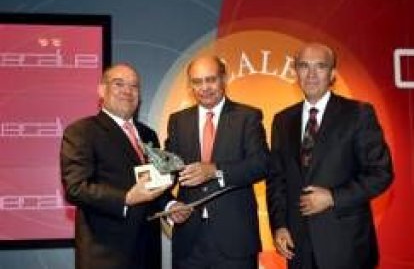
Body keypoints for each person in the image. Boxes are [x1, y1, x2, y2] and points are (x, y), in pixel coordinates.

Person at [266, 43, 393, 269]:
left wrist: (333, 197)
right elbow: (277, 179)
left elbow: (381, 173)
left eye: (320, 66)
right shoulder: (282, 120)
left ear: (332, 73)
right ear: (296, 72)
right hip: (298, 247)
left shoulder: (359, 114)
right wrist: (280, 225)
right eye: (304, 66)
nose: (312, 74)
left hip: (345, 246)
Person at [165, 55, 269, 269]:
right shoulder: (178, 121)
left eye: (210, 79)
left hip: (235, 240)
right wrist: (170, 204)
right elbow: (168, 172)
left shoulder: (247, 116)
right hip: (189, 240)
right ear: (190, 85)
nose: (204, 87)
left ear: (224, 78)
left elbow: (261, 164)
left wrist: (215, 171)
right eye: (197, 81)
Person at [60, 63, 168, 269]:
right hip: (106, 256)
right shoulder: (82, 131)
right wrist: (126, 198)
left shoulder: (148, 135)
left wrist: (171, 206)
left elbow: (153, 186)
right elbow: (76, 188)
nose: (128, 91)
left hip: (148, 253)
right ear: (102, 90)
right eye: (119, 84)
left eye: (134, 86)